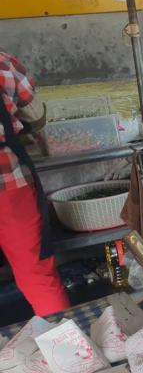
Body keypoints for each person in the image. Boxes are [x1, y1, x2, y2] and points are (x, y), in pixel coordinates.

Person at [0, 52, 69, 315]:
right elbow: (35, 117)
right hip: (10, 184)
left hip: (10, 185)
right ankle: (62, 336)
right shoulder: (4, 63)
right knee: (35, 272)